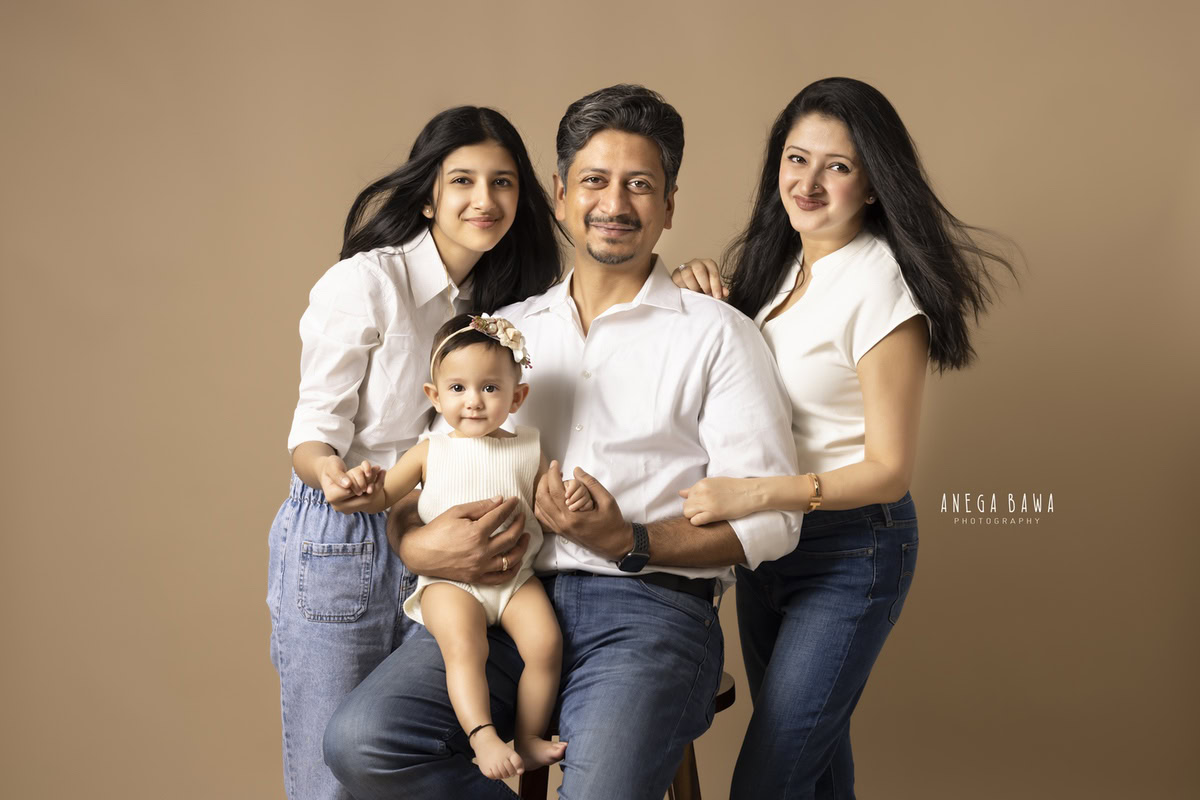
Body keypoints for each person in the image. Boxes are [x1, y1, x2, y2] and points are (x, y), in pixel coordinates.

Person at [322, 84, 802, 800]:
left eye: (640, 185)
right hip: (501, 599)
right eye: (595, 181)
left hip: (651, 617)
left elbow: (773, 523)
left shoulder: (719, 336)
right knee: (362, 744)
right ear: (559, 194)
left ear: (669, 206)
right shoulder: (502, 332)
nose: (615, 203)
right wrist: (416, 547)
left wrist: (631, 539)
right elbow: (424, 474)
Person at [672, 77, 1012, 799]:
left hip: (853, 546)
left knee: (771, 779)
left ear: (874, 185)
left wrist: (757, 492)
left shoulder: (883, 288)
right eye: (797, 160)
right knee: (815, 769)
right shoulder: (782, 268)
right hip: (770, 543)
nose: (809, 183)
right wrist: (690, 291)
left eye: (838, 166)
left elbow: (889, 470)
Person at [266, 106, 560, 800]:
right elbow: (313, 430)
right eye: (462, 181)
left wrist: (691, 273)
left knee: (421, 760)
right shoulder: (366, 282)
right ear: (428, 194)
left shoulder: (500, 307)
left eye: (504, 183)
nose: (484, 200)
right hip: (345, 535)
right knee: (334, 773)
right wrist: (334, 475)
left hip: (444, 543)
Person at [326, 313, 593, 780]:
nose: (473, 401)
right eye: (457, 389)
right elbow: (385, 497)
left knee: (547, 644)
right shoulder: (430, 450)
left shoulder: (529, 446)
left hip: (516, 580)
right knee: (466, 648)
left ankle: (528, 738)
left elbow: (548, 498)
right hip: (448, 583)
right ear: (434, 395)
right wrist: (361, 485)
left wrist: (573, 495)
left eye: (490, 388)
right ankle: (483, 734)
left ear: (517, 397)